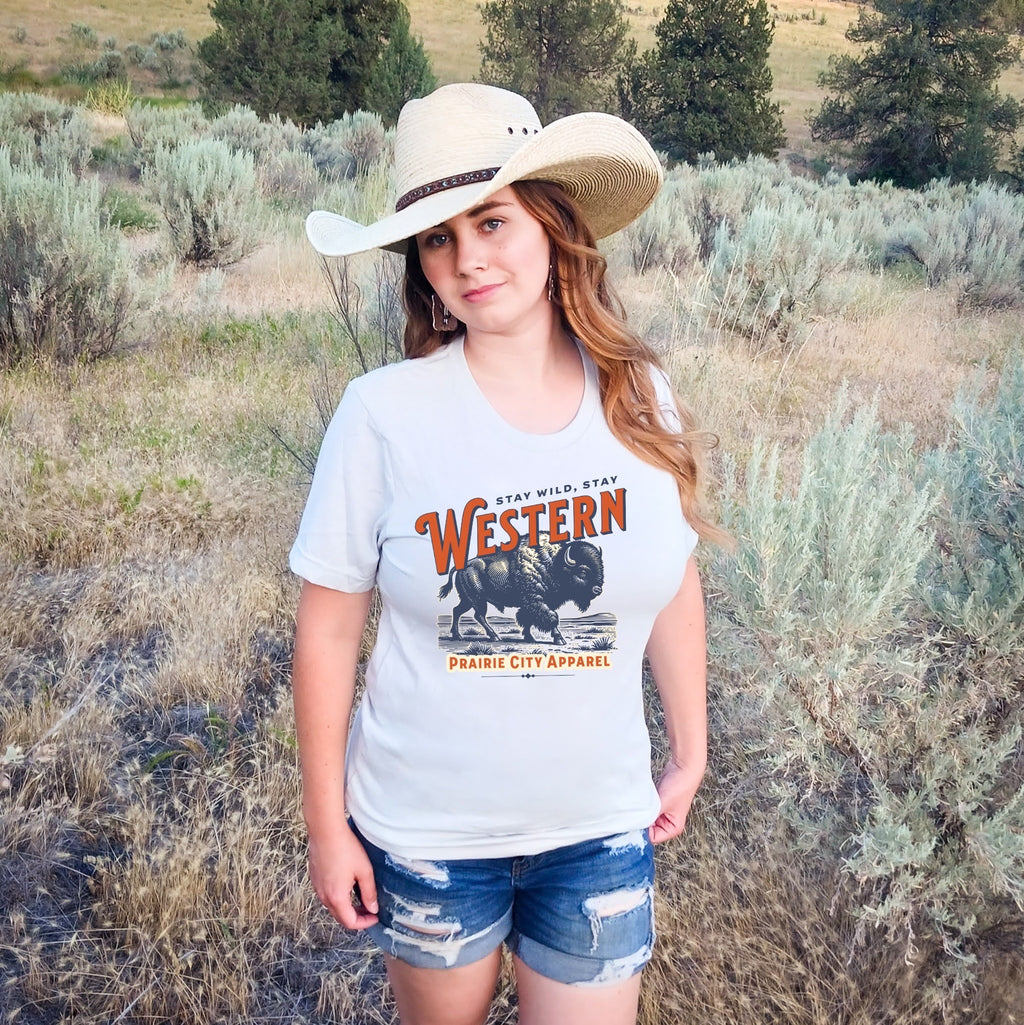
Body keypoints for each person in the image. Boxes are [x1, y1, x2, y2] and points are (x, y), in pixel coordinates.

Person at [290, 83, 716, 1025]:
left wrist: (690, 748)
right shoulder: (383, 415)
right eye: (438, 238)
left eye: (490, 222)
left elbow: (672, 578)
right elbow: (325, 633)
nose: (466, 259)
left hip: (599, 826)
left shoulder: (641, 394)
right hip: (428, 832)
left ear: (553, 228)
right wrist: (329, 826)